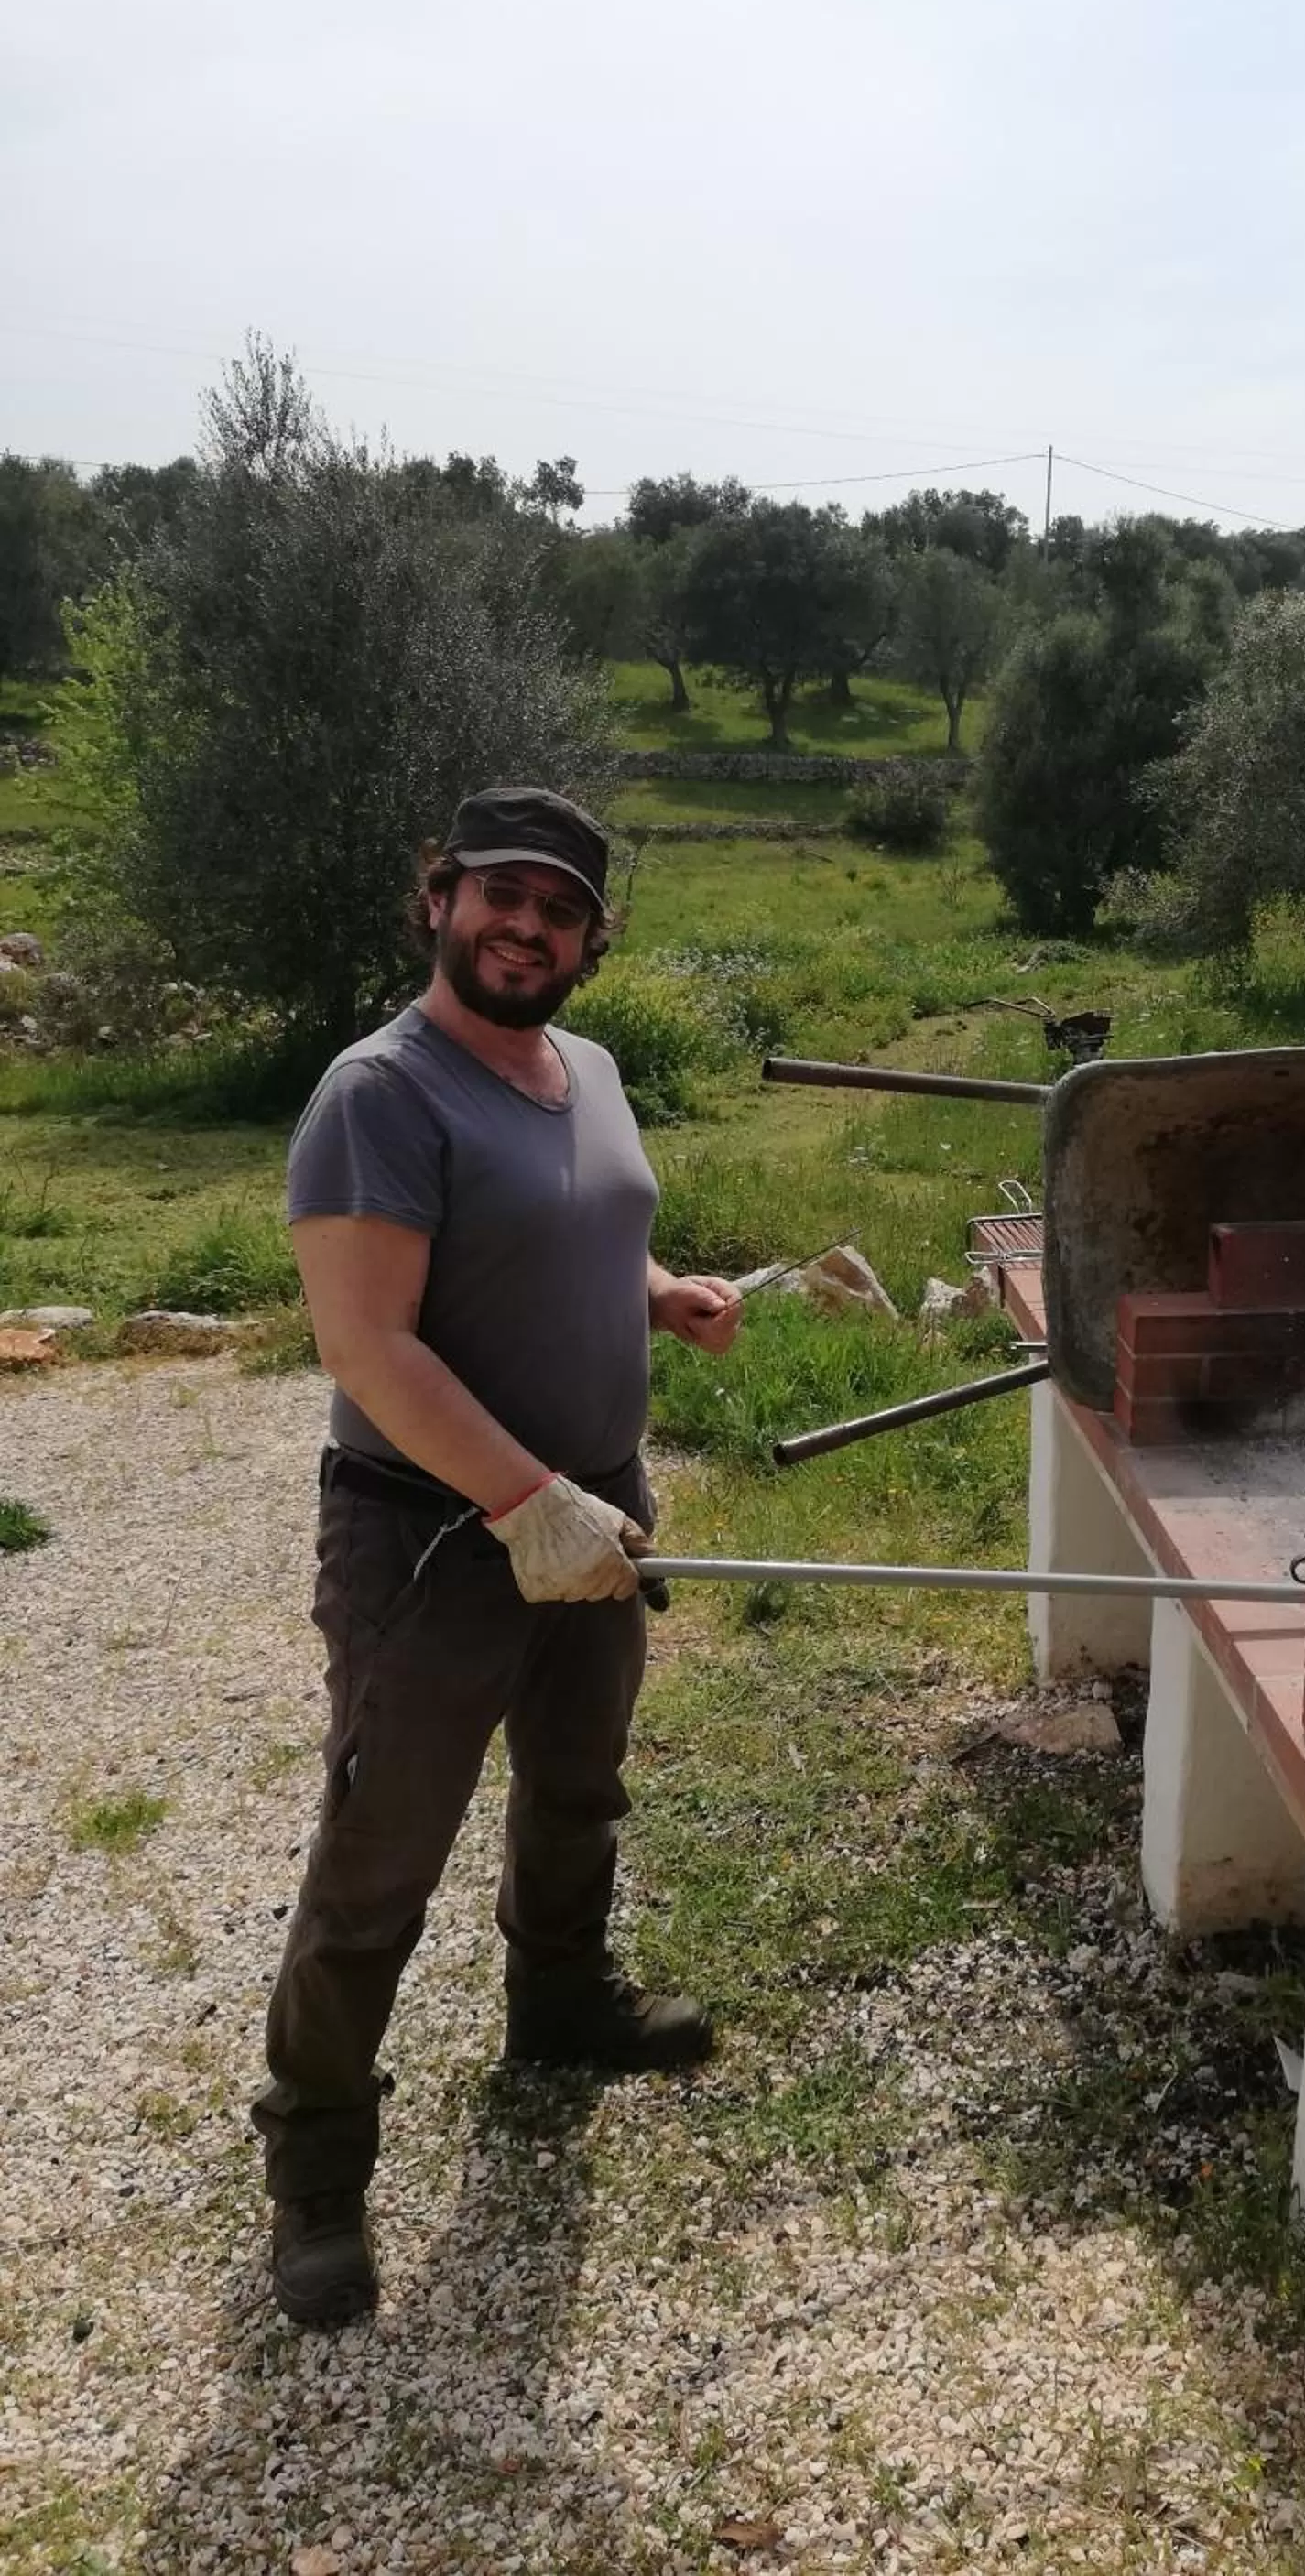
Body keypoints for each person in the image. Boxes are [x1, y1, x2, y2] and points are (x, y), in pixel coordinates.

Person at [254, 784, 742, 2330]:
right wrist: (530, 1504)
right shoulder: (378, 1095)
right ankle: (318, 2171)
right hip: (438, 1539)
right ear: (440, 897)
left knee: (578, 1782)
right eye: (500, 895)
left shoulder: (584, 1069)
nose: (525, 927)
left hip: (596, 1505)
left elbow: (578, 1231)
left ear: (593, 939)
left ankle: (556, 2009)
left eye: (560, 908)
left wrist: (658, 1290)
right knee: (382, 1854)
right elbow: (370, 1345)